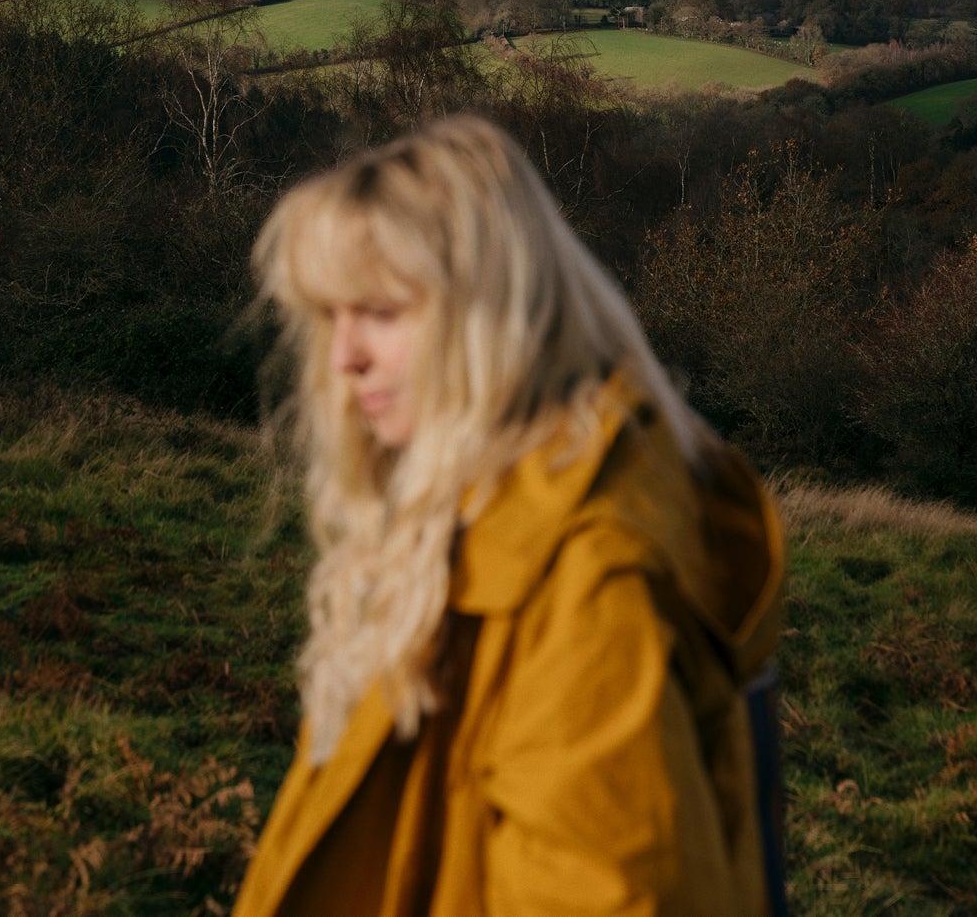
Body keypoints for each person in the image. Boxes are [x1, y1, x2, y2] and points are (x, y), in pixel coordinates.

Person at [231, 115, 788, 917]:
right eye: (329, 315)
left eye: (381, 312)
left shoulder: (585, 586)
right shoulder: (478, 518)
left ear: (488, 313)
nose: (344, 355)